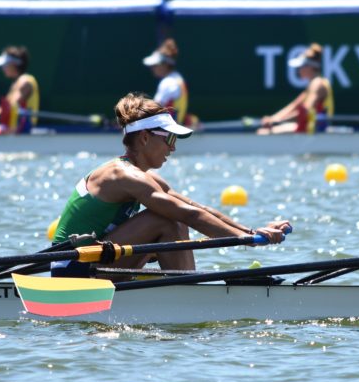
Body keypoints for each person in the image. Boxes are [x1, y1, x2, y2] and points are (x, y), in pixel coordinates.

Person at [50, 93, 289, 276]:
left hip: (100, 260)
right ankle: (187, 295)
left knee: (172, 219)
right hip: (74, 270)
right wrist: (248, 241)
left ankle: (182, 287)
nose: (173, 148)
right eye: (170, 139)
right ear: (144, 138)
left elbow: (197, 207)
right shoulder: (122, 175)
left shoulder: (143, 177)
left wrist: (252, 232)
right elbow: (189, 215)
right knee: (166, 219)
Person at [258, 43, 333, 134]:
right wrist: (273, 118)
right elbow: (294, 106)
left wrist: (275, 122)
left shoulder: (317, 84)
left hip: (314, 132)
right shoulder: (312, 86)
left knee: (264, 133)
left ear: (310, 67)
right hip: (308, 130)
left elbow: (305, 112)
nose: (298, 70)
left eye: (301, 66)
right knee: (265, 131)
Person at [143, 38, 195, 127]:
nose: (152, 68)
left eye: (155, 65)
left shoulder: (168, 82)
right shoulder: (178, 78)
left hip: (167, 133)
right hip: (173, 130)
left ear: (165, 65)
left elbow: (152, 110)